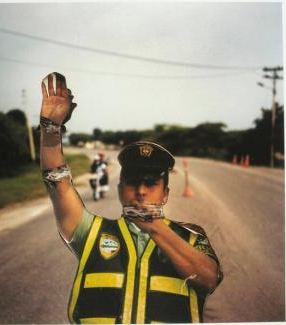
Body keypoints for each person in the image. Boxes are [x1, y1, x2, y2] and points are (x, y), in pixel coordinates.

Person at [39, 72, 223, 324]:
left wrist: (154, 226)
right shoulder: (90, 231)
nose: (141, 191)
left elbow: (208, 279)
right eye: (133, 182)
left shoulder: (192, 237)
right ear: (119, 189)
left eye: (151, 183)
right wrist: (50, 130)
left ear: (166, 193)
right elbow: (57, 183)